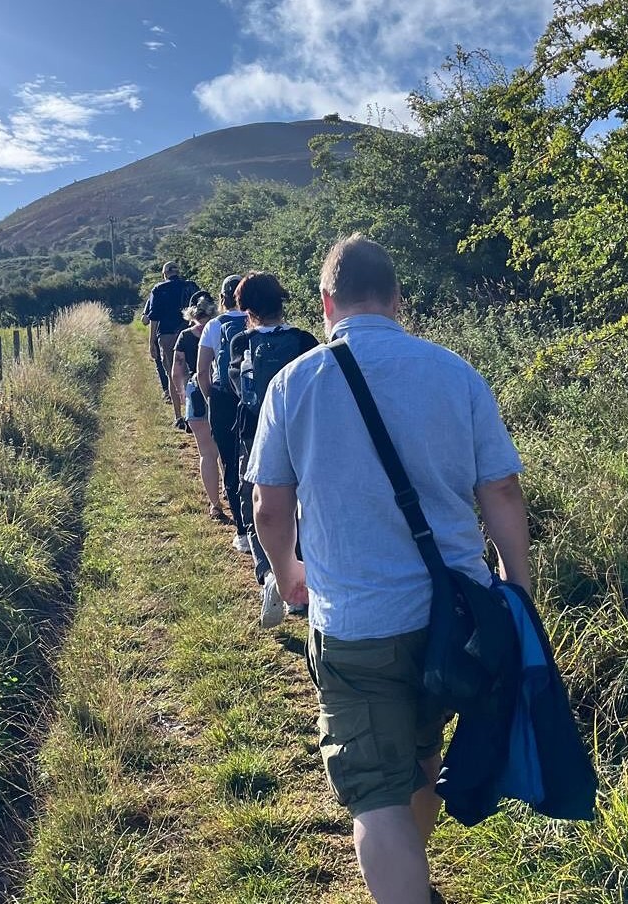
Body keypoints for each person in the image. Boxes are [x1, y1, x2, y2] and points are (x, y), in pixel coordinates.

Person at [245, 235, 531, 904]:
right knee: (421, 750)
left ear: (325, 304)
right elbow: (503, 493)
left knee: (374, 792)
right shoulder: (455, 372)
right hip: (454, 616)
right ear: (399, 299)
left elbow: (268, 503)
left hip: (357, 623)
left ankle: (404, 882)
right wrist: (515, 583)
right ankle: (411, 875)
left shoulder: (296, 382)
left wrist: (289, 574)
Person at [225, 272, 318, 626]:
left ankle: (270, 575)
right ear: (282, 300)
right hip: (303, 432)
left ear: (245, 307)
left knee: (263, 504)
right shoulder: (304, 340)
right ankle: (303, 579)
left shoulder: (239, 342)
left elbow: (234, 389)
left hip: (256, 433)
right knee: (303, 503)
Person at [196, 274, 249, 551]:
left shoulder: (214, 326)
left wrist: (210, 399)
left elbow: (202, 370)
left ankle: (242, 532)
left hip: (223, 398)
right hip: (255, 399)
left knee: (229, 461)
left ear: (221, 299)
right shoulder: (256, 319)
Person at [172, 291, 229, 521]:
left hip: (196, 391)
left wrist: (182, 392)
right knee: (224, 448)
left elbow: (177, 369)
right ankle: (229, 488)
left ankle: (215, 505)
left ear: (191, 313)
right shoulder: (220, 329)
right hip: (218, 390)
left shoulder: (185, 336)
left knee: (206, 453)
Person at [145, 261, 199, 406]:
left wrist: (151, 343)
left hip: (166, 335)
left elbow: (154, 317)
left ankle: (178, 416)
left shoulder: (158, 289)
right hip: (190, 334)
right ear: (177, 272)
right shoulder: (191, 286)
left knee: (172, 374)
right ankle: (192, 409)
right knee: (191, 372)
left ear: (164, 274)